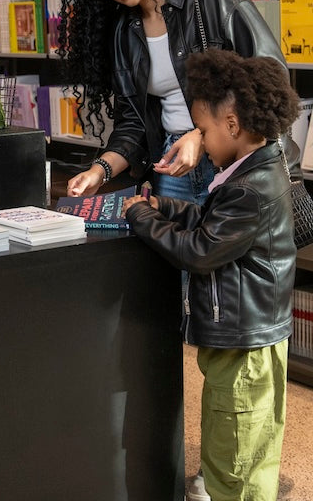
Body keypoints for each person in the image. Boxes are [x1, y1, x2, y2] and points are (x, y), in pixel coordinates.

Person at [122, 49, 298, 501]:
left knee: (234, 453)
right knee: (246, 445)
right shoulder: (253, 170)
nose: (199, 139)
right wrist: (166, 206)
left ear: (232, 126)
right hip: (251, 335)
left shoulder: (248, 190)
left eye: (202, 130)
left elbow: (199, 252)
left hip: (243, 345)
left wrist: (143, 218)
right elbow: (211, 223)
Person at [58, 0, 295, 203]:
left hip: (235, 163)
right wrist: (99, 171)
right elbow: (133, 123)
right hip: (172, 168)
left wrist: (201, 135)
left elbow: (271, 80)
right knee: (171, 235)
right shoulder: (123, 30)